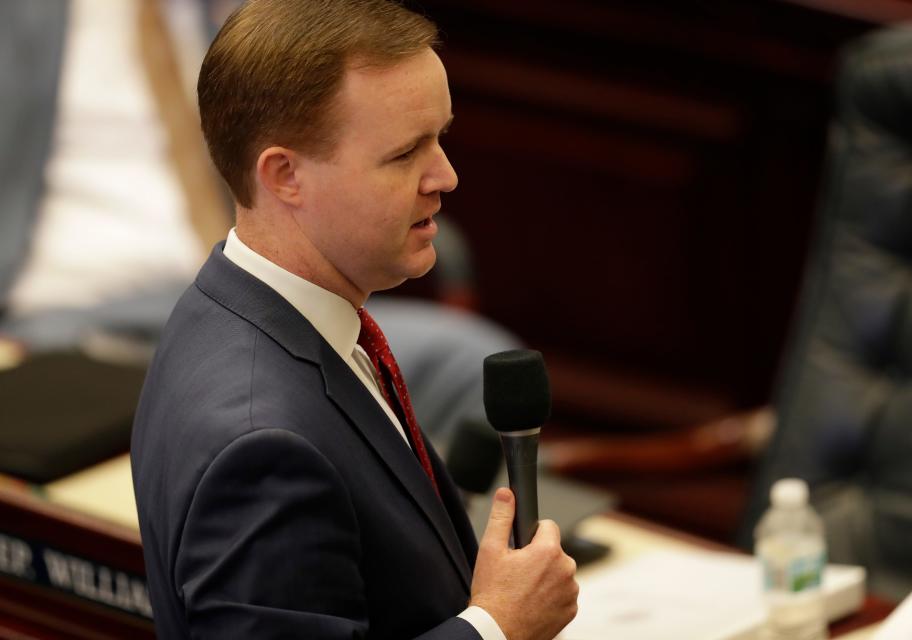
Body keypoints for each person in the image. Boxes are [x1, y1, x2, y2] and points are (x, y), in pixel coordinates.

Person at [130, 1, 578, 638]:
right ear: (285, 175)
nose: (445, 176)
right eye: (403, 155)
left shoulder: (225, 304)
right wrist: (498, 626)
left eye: (440, 138)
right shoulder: (263, 446)